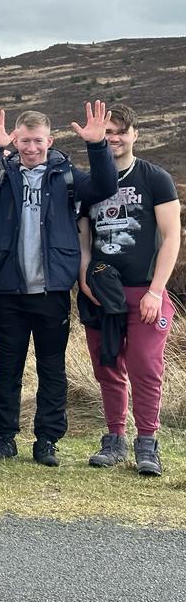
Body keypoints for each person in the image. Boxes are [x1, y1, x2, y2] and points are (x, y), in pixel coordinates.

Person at [0, 103, 117, 466]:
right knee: (8, 366)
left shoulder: (66, 176)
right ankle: (4, 439)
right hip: (8, 289)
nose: (31, 148)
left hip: (51, 291)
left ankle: (47, 440)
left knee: (52, 367)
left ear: (50, 140)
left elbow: (105, 186)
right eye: (25, 141)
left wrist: (97, 145)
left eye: (38, 141)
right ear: (15, 140)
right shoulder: (3, 174)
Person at [78, 104, 180, 476]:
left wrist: (156, 291)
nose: (114, 138)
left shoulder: (156, 179)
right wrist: (85, 279)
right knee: (107, 366)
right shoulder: (89, 184)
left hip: (144, 293)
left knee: (145, 367)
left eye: (120, 131)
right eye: (107, 133)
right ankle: (115, 439)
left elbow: (171, 238)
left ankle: (147, 443)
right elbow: (84, 241)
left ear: (135, 134)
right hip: (102, 293)